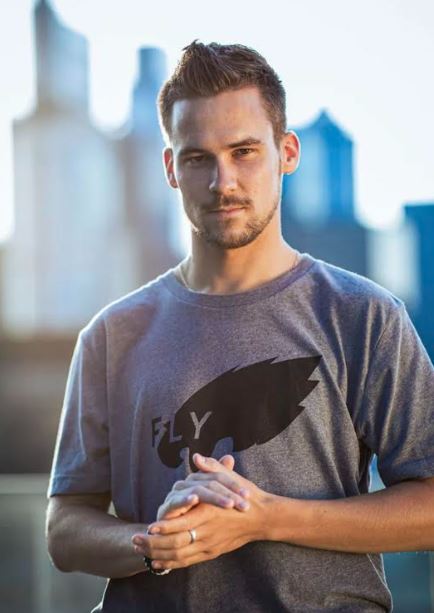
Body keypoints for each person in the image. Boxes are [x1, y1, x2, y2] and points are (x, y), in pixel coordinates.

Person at [46, 41, 434, 612]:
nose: (222, 182)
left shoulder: (363, 315)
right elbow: (63, 529)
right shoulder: (112, 333)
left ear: (288, 151)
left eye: (244, 151)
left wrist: (265, 520)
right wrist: (157, 542)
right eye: (198, 157)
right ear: (171, 168)